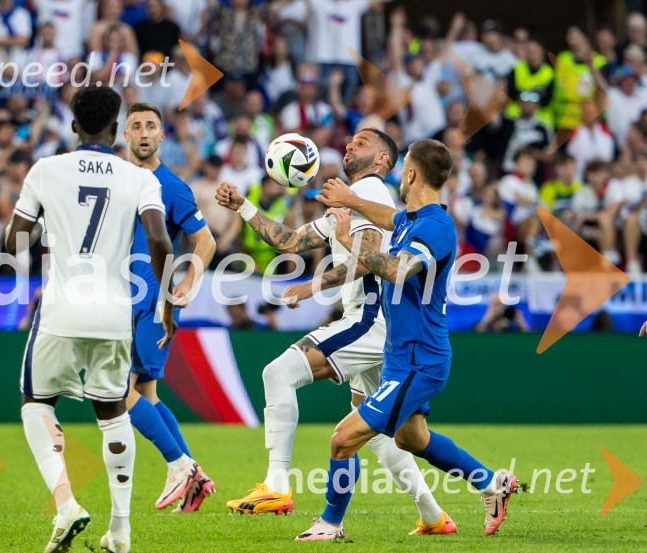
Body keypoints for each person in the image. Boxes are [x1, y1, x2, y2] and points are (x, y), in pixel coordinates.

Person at [216, 129, 454, 534]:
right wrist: (243, 206)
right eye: (350, 140)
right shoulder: (350, 199)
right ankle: (433, 517)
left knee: (278, 373)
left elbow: (366, 259)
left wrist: (312, 286)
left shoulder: (375, 193)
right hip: (380, 326)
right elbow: (289, 242)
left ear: (382, 160)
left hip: (370, 318)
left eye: (361, 142)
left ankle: (277, 485)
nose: (349, 145)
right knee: (380, 435)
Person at [311, 139, 519, 541]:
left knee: (343, 439)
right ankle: (492, 483)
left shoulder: (436, 227)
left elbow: (399, 271)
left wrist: (350, 240)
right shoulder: (413, 218)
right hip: (401, 356)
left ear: (410, 174)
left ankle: (329, 524)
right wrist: (352, 201)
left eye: (403, 168)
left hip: (419, 358)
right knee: (412, 438)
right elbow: (389, 216)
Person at [5, 86, 177, 553]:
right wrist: (164, 303)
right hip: (113, 312)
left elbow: (13, 244)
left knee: (36, 404)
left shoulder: (46, 170)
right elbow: (160, 240)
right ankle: (120, 529)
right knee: (112, 413)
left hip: (61, 308)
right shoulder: (138, 178)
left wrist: (46, 226)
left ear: (74, 124)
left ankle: (66, 505)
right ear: (118, 128)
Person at [122, 102, 218, 512]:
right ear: (125, 135)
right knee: (145, 391)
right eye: (135, 126)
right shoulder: (117, 181)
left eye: (150, 127)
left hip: (152, 302)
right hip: (120, 299)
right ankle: (194, 473)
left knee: (115, 391)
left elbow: (207, 241)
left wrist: (189, 279)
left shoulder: (172, 186)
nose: (143, 133)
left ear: (162, 136)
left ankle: (180, 466)